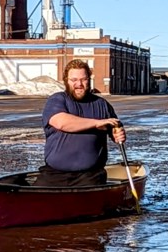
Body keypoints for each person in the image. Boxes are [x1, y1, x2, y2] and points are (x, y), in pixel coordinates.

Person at [34, 59, 126, 187]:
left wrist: (118, 133)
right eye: (74, 80)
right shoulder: (57, 100)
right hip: (54, 175)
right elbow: (62, 122)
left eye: (84, 79)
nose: (79, 84)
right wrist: (96, 123)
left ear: (89, 79)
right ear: (66, 80)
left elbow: (115, 128)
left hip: (90, 176)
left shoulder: (102, 105)